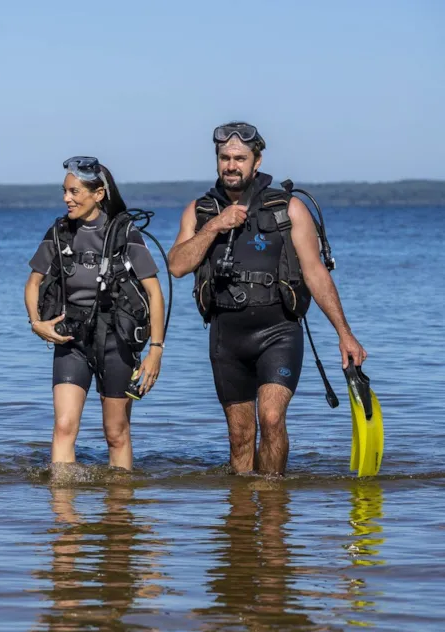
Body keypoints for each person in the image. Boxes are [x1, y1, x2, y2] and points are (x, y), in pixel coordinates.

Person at [166, 122, 366, 475]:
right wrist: (215, 226)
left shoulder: (287, 209)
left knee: (271, 418)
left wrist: (344, 333)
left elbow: (316, 273)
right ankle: (241, 521)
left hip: (279, 332)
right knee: (240, 435)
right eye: (224, 157)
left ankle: (273, 512)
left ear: (256, 162)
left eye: (240, 158)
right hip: (226, 336)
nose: (231, 165)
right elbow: (177, 266)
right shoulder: (200, 211)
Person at [24, 157, 166, 471]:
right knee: (63, 426)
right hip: (71, 337)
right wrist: (37, 323)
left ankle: (118, 515)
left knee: (115, 432)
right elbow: (33, 283)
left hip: (117, 339)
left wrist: (155, 351)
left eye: (74, 191)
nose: (66, 198)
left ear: (98, 193)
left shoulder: (124, 233)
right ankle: (63, 514)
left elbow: (155, 292)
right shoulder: (59, 231)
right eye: (64, 191)